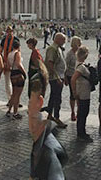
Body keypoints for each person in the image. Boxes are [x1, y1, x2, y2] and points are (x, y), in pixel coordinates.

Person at [28, 48, 66, 180]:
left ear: (40, 102)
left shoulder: (48, 153)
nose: (29, 125)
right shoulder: (39, 142)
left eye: (31, 116)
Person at [44, 33, 68, 128]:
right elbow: (50, 63)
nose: (65, 42)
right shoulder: (52, 49)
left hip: (59, 76)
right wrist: (57, 77)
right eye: (63, 40)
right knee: (57, 98)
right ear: (57, 39)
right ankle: (56, 117)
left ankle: (50, 115)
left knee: (53, 97)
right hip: (55, 78)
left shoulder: (58, 48)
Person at [70, 46, 93, 141]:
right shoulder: (81, 67)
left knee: (83, 113)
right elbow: (73, 79)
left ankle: (82, 132)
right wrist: (74, 92)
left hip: (84, 92)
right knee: (82, 113)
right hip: (82, 93)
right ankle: (81, 133)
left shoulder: (80, 64)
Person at [64, 36, 81, 122]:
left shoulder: (79, 52)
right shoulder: (69, 54)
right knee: (73, 94)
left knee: (79, 94)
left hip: (79, 75)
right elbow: (65, 66)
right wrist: (65, 77)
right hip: (71, 75)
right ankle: (72, 112)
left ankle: (78, 111)